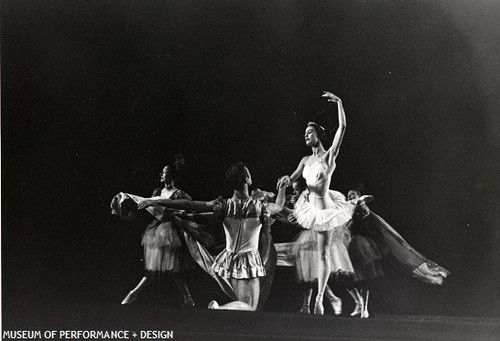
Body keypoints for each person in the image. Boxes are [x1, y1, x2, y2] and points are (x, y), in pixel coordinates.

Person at [137, 162, 286, 311]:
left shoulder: (223, 206)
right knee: (250, 307)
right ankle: (218, 308)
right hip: (248, 261)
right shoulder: (260, 207)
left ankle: (222, 313)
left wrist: (155, 201)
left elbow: (188, 204)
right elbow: (279, 206)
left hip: (228, 261)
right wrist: (283, 187)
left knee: (244, 307)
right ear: (248, 179)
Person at [277, 91, 372, 315]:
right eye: (304, 133)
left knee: (324, 253)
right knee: (319, 254)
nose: (305, 136)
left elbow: (342, 129)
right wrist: (285, 180)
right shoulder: (305, 160)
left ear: (318, 135)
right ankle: (319, 300)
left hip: (327, 210)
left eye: (309, 132)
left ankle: (319, 299)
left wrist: (339, 102)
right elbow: (293, 177)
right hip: (312, 207)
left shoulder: (328, 157)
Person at [346, 185, 450, 318]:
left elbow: (368, 202)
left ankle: (364, 308)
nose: (350, 198)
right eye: (348, 196)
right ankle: (359, 303)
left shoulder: (361, 205)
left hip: (369, 243)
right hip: (354, 244)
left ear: (358, 196)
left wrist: (360, 200)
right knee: (349, 278)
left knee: (371, 274)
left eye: (352, 195)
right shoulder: (346, 208)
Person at [121, 157, 197, 307]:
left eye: (165, 172)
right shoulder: (158, 191)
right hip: (157, 231)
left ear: (172, 176)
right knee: (156, 266)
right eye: (162, 172)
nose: (161, 174)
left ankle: (134, 293)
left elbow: (184, 209)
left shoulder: (179, 194)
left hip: (170, 232)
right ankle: (135, 293)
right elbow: (151, 208)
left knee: (171, 267)